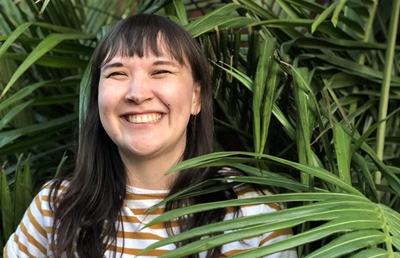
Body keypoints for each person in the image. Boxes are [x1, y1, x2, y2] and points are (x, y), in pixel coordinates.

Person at [4, 14, 297, 258]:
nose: (137, 93)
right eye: (117, 74)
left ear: (196, 97)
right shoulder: (54, 208)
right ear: (97, 97)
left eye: (160, 72)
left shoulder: (255, 211)